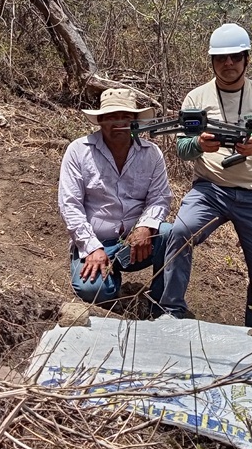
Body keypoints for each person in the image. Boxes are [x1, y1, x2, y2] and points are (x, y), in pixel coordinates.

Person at [156, 23, 252, 332]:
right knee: (180, 233)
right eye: (221, 59)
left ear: (246, 59)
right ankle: (171, 311)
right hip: (210, 188)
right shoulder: (196, 98)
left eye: (235, 58)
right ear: (212, 61)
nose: (228, 64)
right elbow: (182, 148)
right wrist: (200, 145)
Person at [58, 87, 173, 309]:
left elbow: (160, 197)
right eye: (111, 117)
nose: (119, 123)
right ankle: (111, 284)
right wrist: (92, 247)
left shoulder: (152, 153)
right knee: (94, 290)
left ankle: (162, 303)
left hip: (135, 243)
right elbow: (69, 205)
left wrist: (146, 227)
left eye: (125, 117)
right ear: (100, 120)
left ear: (135, 121)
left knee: (171, 234)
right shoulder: (79, 151)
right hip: (94, 239)